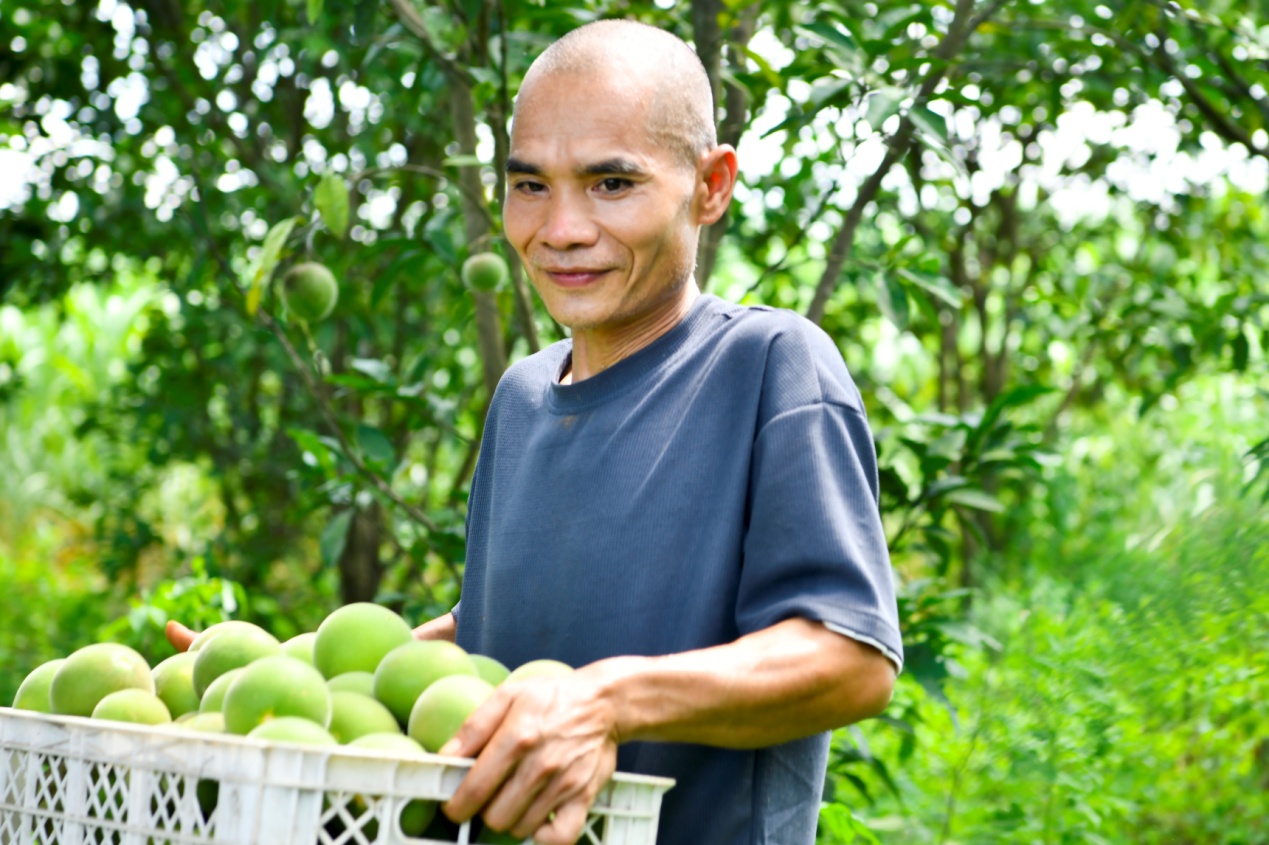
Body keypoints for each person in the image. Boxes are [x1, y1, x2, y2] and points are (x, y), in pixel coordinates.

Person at [170, 19, 901, 845]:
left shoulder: (770, 366)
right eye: (529, 186)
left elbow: (848, 657)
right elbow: (509, 622)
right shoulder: (521, 397)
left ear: (710, 185)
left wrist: (607, 700)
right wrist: (317, 668)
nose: (560, 229)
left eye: (611, 184)